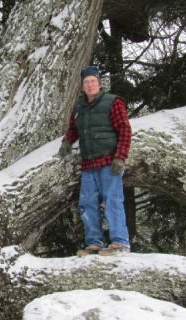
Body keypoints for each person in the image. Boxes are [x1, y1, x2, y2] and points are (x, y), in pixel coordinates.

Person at [59, 66, 132, 256]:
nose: (90, 85)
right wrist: (68, 140)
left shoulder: (113, 102)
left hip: (109, 162)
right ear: (82, 86)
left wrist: (120, 157)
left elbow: (124, 129)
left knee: (113, 201)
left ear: (99, 83)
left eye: (93, 81)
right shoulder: (79, 108)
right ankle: (94, 243)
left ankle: (120, 243)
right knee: (87, 203)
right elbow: (75, 128)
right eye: (86, 82)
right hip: (88, 164)